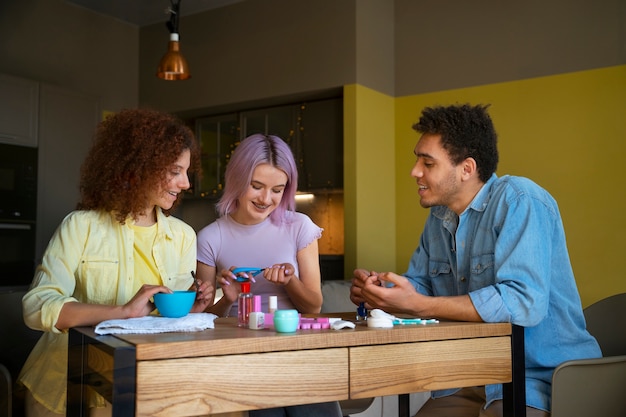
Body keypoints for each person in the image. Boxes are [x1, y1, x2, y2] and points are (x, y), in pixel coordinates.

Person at [350, 104, 601, 417]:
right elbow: (422, 286)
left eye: (427, 163)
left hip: (542, 380)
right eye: (418, 159)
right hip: (470, 375)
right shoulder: (439, 217)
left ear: (466, 169)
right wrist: (383, 292)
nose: (415, 171)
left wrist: (418, 304)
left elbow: (523, 302)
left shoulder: (520, 200)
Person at [18, 108, 213, 417]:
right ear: (139, 167)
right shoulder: (80, 226)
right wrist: (121, 313)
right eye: (175, 171)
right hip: (70, 386)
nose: (186, 183)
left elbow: (164, 321)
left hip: (142, 387)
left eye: (186, 172)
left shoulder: (184, 236)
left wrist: (190, 309)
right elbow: (37, 305)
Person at [196, 133, 342, 417]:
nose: (266, 199)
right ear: (237, 180)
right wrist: (227, 299)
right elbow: (200, 319)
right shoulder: (211, 237)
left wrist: (291, 282)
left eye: (277, 189)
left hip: (300, 356)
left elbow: (314, 306)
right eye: (256, 186)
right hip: (244, 359)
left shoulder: (299, 227)